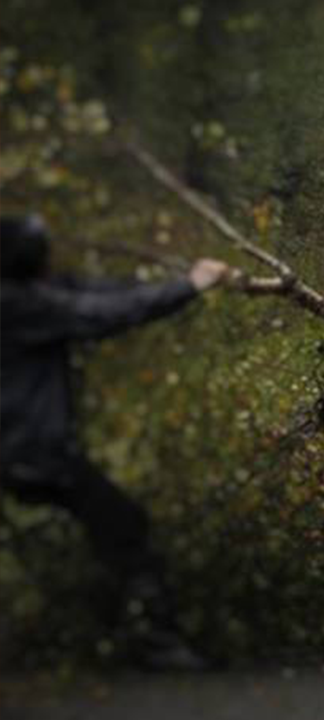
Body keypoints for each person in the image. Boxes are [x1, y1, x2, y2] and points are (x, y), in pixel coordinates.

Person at [0, 214, 230, 672]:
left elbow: (92, 292)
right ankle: (156, 643)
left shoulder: (23, 298)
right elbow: (101, 313)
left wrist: (179, 281)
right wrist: (190, 286)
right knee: (125, 525)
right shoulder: (18, 305)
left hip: (24, 449)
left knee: (117, 523)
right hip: (29, 453)